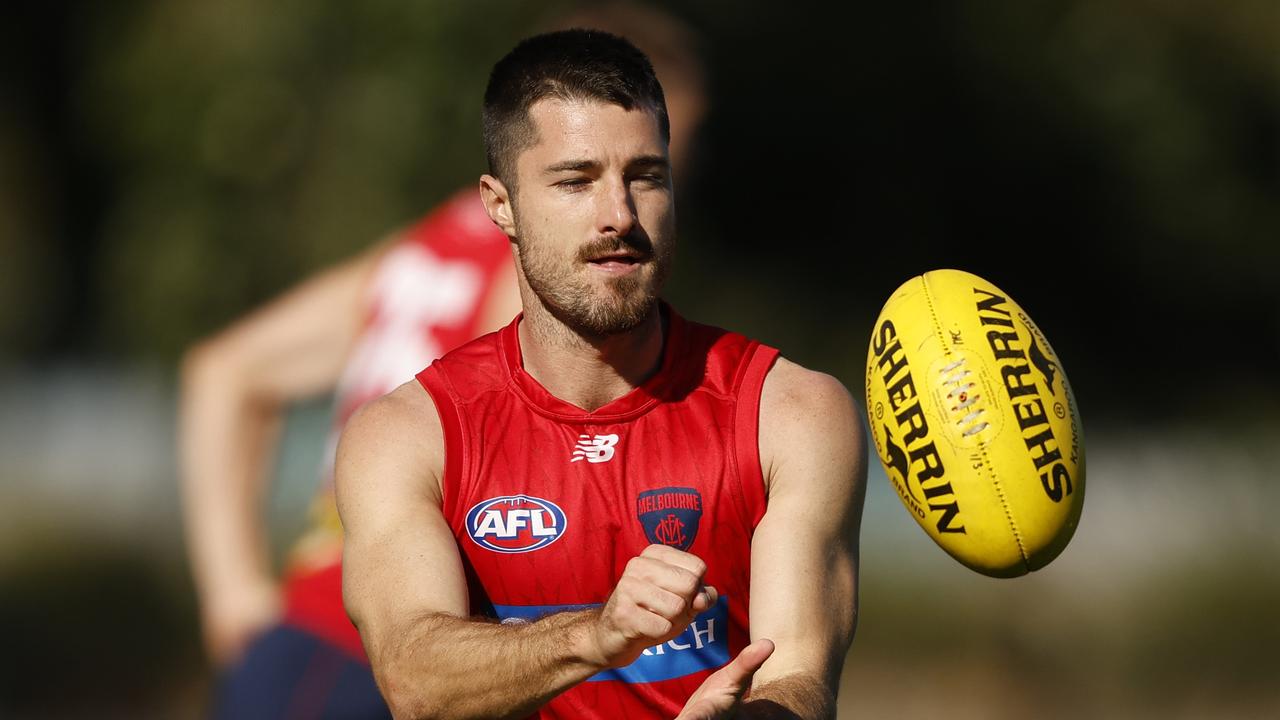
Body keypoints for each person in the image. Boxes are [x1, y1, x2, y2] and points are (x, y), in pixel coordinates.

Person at [178, 5, 708, 718]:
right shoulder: (541, 276)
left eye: (655, 166)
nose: (634, 201)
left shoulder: (435, 242)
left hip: (304, 647)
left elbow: (225, 372)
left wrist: (236, 600)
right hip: (393, 646)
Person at [336, 29, 866, 719]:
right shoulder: (409, 433)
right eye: (576, 181)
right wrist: (599, 634)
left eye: (645, 176)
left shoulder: (790, 412)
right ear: (501, 205)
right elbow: (414, 678)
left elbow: (798, 679)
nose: (619, 216)